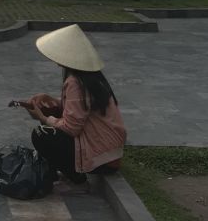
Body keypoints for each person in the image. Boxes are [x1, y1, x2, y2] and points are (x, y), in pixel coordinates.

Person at [11, 24, 127, 185]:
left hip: (102, 160)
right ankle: (59, 170)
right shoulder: (92, 78)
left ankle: (76, 177)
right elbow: (81, 109)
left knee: (41, 134)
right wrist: (50, 101)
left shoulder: (76, 82)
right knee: (49, 114)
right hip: (110, 153)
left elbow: (72, 128)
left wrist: (44, 118)